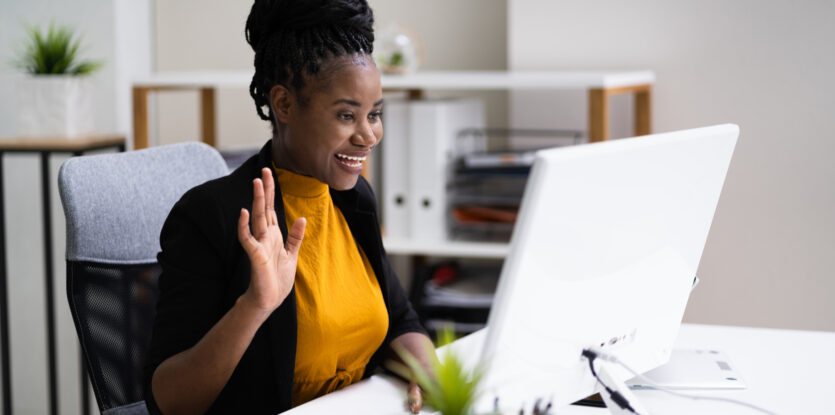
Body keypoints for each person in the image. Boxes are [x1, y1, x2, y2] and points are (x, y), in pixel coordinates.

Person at [143, 1, 436, 413]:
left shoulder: (354, 200)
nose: (368, 135)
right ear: (284, 104)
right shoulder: (213, 216)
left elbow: (400, 319)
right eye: (346, 115)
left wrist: (435, 380)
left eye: (374, 114)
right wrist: (254, 306)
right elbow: (168, 401)